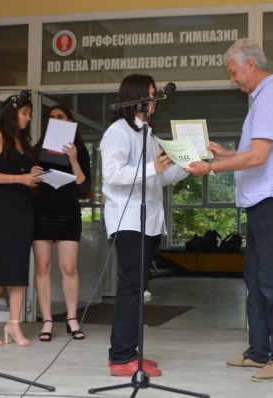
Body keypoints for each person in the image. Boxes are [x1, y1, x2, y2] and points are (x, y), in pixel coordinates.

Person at [186, 38, 273, 382]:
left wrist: (211, 169)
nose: (232, 79)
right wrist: (225, 155)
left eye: (233, 72)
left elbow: (258, 157)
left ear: (251, 65)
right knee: (255, 278)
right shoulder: (263, 98)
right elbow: (254, 153)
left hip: (271, 200)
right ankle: (257, 352)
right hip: (261, 200)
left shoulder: (270, 97)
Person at [101, 74, 188, 377]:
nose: (154, 101)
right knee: (130, 288)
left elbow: (159, 178)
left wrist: (187, 166)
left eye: (155, 95)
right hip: (128, 222)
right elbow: (112, 174)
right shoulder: (118, 132)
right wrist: (154, 167)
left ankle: (131, 353)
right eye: (150, 94)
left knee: (138, 289)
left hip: (149, 222)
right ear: (135, 96)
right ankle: (120, 356)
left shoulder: (148, 135)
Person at [0, 94, 43, 347]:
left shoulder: (23, 141)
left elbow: (19, 172)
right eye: (25, 113)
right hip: (2, 208)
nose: (28, 118)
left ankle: (14, 325)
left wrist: (33, 174)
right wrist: (19, 179)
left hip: (23, 207)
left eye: (30, 114)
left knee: (18, 269)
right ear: (11, 112)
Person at [31, 104, 92, 342]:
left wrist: (74, 160)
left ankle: (71, 317)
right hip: (42, 210)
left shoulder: (81, 151)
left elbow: (84, 188)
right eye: (51, 118)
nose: (55, 120)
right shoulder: (38, 149)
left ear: (69, 120)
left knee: (69, 268)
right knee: (42, 266)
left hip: (67, 211)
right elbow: (29, 183)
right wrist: (33, 174)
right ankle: (46, 319)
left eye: (60, 117)